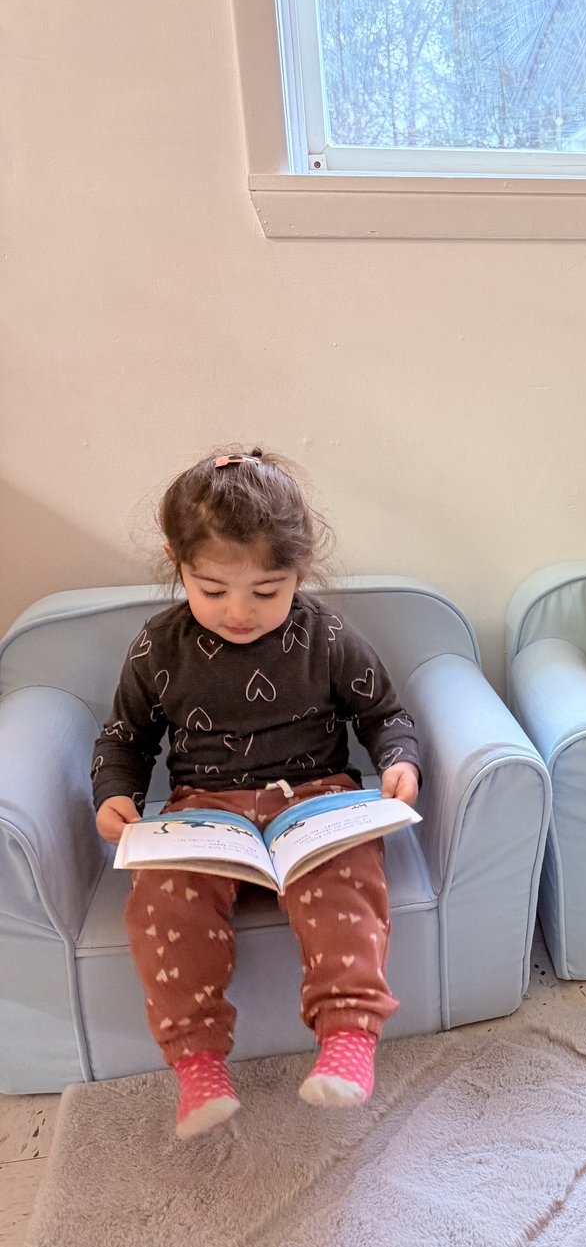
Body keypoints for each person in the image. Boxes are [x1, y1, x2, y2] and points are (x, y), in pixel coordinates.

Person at [92, 450, 420, 1138]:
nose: (239, 612)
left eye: (267, 592)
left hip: (314, 801)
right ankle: (198, 1065)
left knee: (346, 879)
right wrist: (114, 796)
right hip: (205, 812)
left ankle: (349, 1039)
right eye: (212, 591)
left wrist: (399, 763)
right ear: (176, 563)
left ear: (299, 571)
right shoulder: (158, 648)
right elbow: (125, 738)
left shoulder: (327, 635)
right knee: (161, 897)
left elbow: (385, 714)